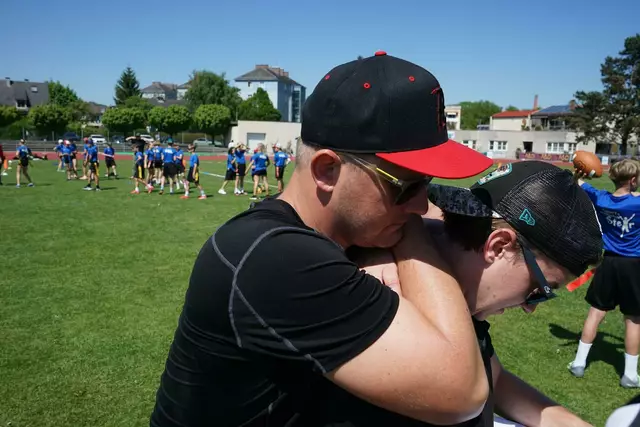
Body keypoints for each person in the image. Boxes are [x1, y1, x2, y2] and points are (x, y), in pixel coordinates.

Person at [149, 52, 497, 427]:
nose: (421, 205)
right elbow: (461, 392)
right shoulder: (276, 257)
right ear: (327, 170)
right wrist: (412, 234)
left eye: (428, 184)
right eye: (407, 186)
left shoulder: (309, 238)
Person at [351, 161, 603, 427]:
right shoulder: (384, 295)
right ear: (499, 246)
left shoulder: (462, 295)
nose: (531, 307)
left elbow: (496, 378)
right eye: (539, 289)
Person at [569, 159, 640, 387]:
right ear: (633, 180)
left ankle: (579, 363)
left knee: (596, 313)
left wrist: (580, 172)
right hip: (634, 265)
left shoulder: (601, 199)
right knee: (633, 319)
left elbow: (577, 183)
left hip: (608, 262)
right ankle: (629, 375)